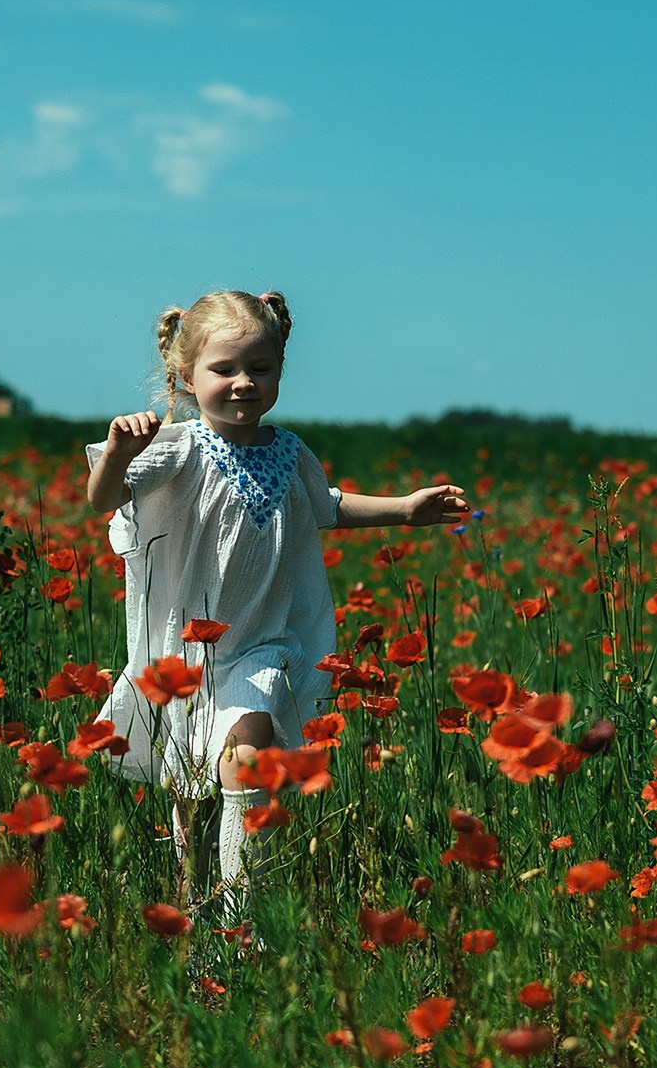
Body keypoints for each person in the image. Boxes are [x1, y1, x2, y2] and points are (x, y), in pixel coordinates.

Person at [84, 289, 468, 936]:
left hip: (263, 642)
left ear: (280, 370)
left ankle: (241, 925)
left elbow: (328, 506)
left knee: (249, 754)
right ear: (186, 377)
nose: (242, 383)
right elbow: (105, 500)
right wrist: (121, 451)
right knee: (190, 795)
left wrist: (405, 509)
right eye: (224, 369)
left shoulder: (290, 452)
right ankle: (194, 905)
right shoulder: (180, 448)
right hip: (187, 652)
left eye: (260, 368)